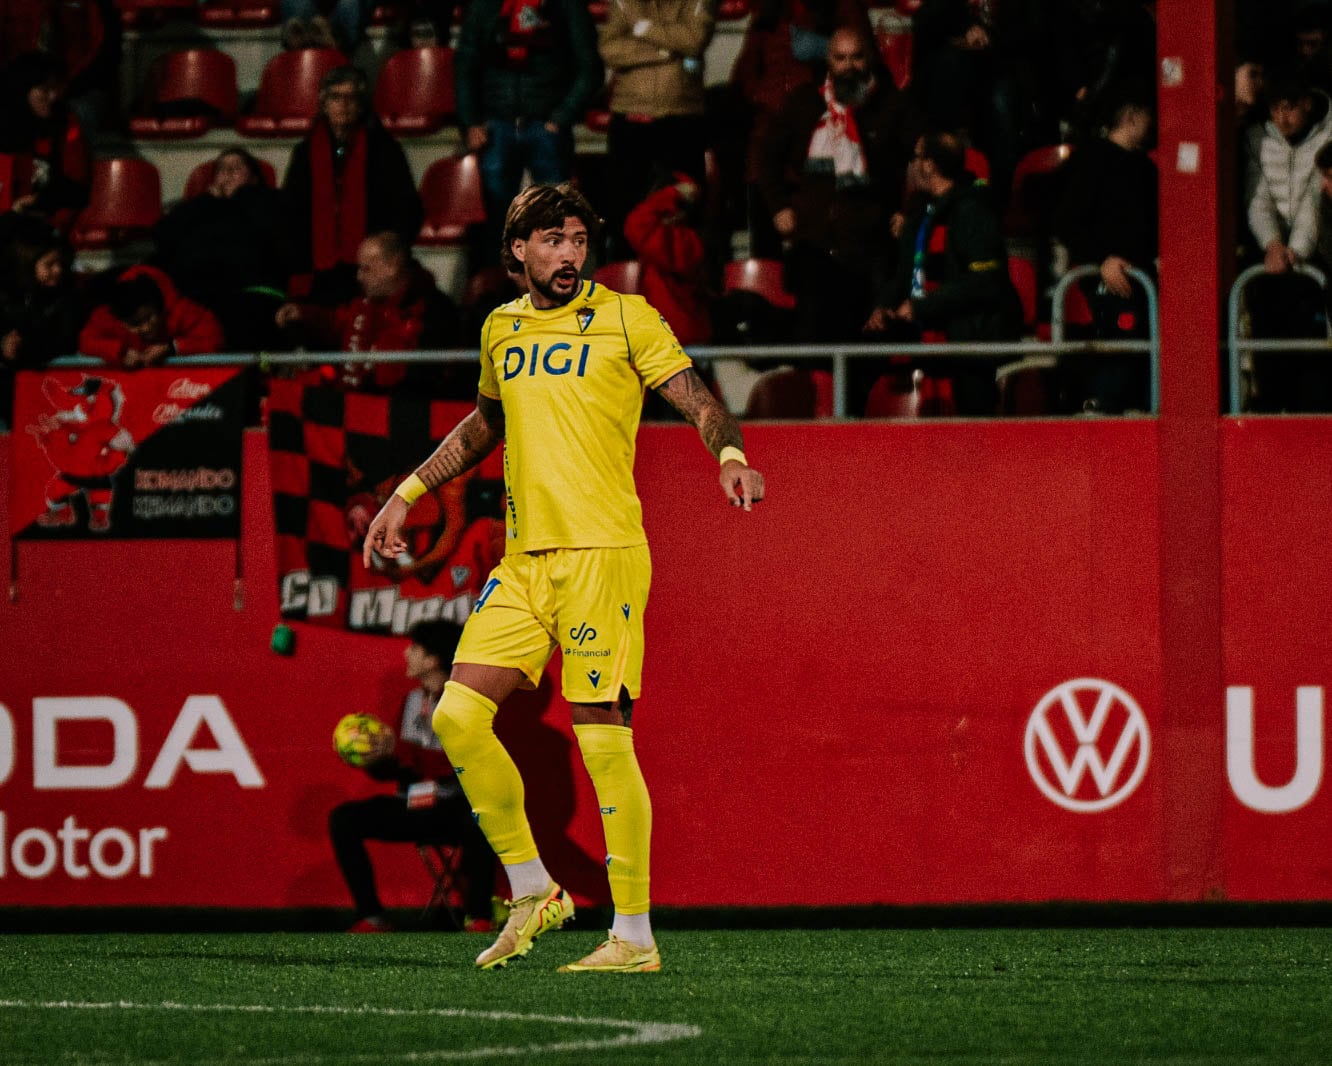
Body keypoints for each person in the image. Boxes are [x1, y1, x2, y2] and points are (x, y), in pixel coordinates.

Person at [361, 183, 765, 973]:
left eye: (579, 239)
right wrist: (407, 493)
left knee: (603, 740)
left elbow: (697, 399)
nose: (569, 254)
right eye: (553, 241)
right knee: (456, 718)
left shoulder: (626, 317)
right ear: (518, 251)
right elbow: (486, 423)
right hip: (524, 562)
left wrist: (730, 455)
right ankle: (531, 889)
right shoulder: (501, 328)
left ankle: (635, 937)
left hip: (601, 556)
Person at [329, 619, 499, 933]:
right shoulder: (411, 700)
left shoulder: (466, 701)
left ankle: (479, 916)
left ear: (433, 659)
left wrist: (400, 751)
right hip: (412, 805)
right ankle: (372, 916)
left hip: (454, 807)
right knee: (344, 818)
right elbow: (402, 768)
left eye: (415, 648)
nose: (406, 653)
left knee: (484, 820)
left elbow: (455, 764)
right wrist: (375, 759)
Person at [756, 24, 916, 343]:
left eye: (856, 57)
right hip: (815, 248)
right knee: (816, 344)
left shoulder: (891, 106)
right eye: (840, 58)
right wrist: (778, 207)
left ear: (870, 58)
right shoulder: (804, 104)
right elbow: (766, 157)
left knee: (871, 346)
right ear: (828, 61)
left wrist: (906, 210)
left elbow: (916, 162)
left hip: (870, 247)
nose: (849, 66)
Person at [865, 131, 1022, 416]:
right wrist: (884, 306)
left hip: (969, 347)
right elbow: (906, 274)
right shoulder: (922, 214)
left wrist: (923, 307)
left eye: (915, 158)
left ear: (930, 165)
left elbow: (984, 282)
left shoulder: (973, 210)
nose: (910, 167)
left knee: (971, 435)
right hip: (931, 343)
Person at [453, 0, 603, 264]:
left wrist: (561, 116)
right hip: (496, 124)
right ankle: (502, 290)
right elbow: (466, 63)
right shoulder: (483, 5)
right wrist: (470, 121)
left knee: (556, 219)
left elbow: (590, 65)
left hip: (546, 125)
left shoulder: (566, 6)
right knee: (499, 221)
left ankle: (557, 288)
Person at [283, 66, 424, 305]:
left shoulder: (384, 150)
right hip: (317, 267)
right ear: (324, 103)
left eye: (351, 98)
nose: (343, 104)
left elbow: (405, 209)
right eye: (336, 97)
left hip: (369, 267)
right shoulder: (305, 153)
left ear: (361, 105)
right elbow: (291, 212)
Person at [1055, 91, 1158, 413]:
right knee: (1118, 352)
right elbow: (1066, 221)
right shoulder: (1092, 160)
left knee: (1140, 359)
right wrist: (1102, 261)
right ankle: (1101, 418)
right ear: (1131, 115)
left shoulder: (1146, 167)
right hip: (1109, 281)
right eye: (1148, 114)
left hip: (1144, 280)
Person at [276, 231, 465, 395]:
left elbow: (428, 377)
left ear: (392, 266)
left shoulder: (434, 310)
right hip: (356, 407)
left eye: (366, 269)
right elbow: (339, 321)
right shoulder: (364, 304)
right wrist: (304, 314)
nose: (359, 276)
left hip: (402, 415)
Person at [597, 0, 715, 261]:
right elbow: (609, 49)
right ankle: (624, 279)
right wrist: (668, 52)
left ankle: (682, 285)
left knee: (683, 207)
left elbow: (694, 40)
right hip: (630, 116)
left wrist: (642, 28)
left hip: (682, 115)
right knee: (624, 210)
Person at [1244, 69, 1332, 410]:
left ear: (1307, 105)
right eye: (1273, 109)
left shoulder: (1328, 135)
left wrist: (1296, 250)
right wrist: (1272, 244)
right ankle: (1270, 405)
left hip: (1316, 252)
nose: (1281, 118)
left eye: (1288, 108)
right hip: (1272, 255)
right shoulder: (1256, 138)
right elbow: (1257, 197)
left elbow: (1315, 200)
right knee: (1268, 332)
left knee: (1312, 345)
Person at [154, 147, 292, 354]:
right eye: (221, 169)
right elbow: (163, 236)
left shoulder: (268, 201)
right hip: (198, 290)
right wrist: (206, 201)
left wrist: (243, 194)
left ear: (254, 177)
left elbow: (274, 235)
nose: (227, 173)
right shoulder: (200, 207)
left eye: (236, 167)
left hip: (249, 290)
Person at [0, 212, 83, 429]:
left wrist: (25, 348)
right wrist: (4, 349)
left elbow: (64, 339)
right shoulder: (9, 302)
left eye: (60, 264)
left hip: (52, 387)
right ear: (28, 266)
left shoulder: (66, 300)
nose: (58, 270)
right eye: (49, 265)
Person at [0, 50, 90, 231]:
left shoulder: (65, 124)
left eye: (55, 88)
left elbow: (76, 186)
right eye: (44, 89)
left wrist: (41, 201)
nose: (53, 96)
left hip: (42, 228)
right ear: (24, 90)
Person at [623, 172, 713, 345]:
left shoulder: (681, 240)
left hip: (672, 336)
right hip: (680, 334)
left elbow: (635, 224)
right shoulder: (694, 237)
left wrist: (671, 194)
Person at [78, 265, 224, 368]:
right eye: (135, 324)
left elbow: (214, 337)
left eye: (149, 318)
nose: (146, 327)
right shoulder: (106, 315)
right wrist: (120, 352)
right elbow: (86, 341)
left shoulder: (180, 309)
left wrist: (172, 348)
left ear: (158, 306)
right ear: (120, 320)